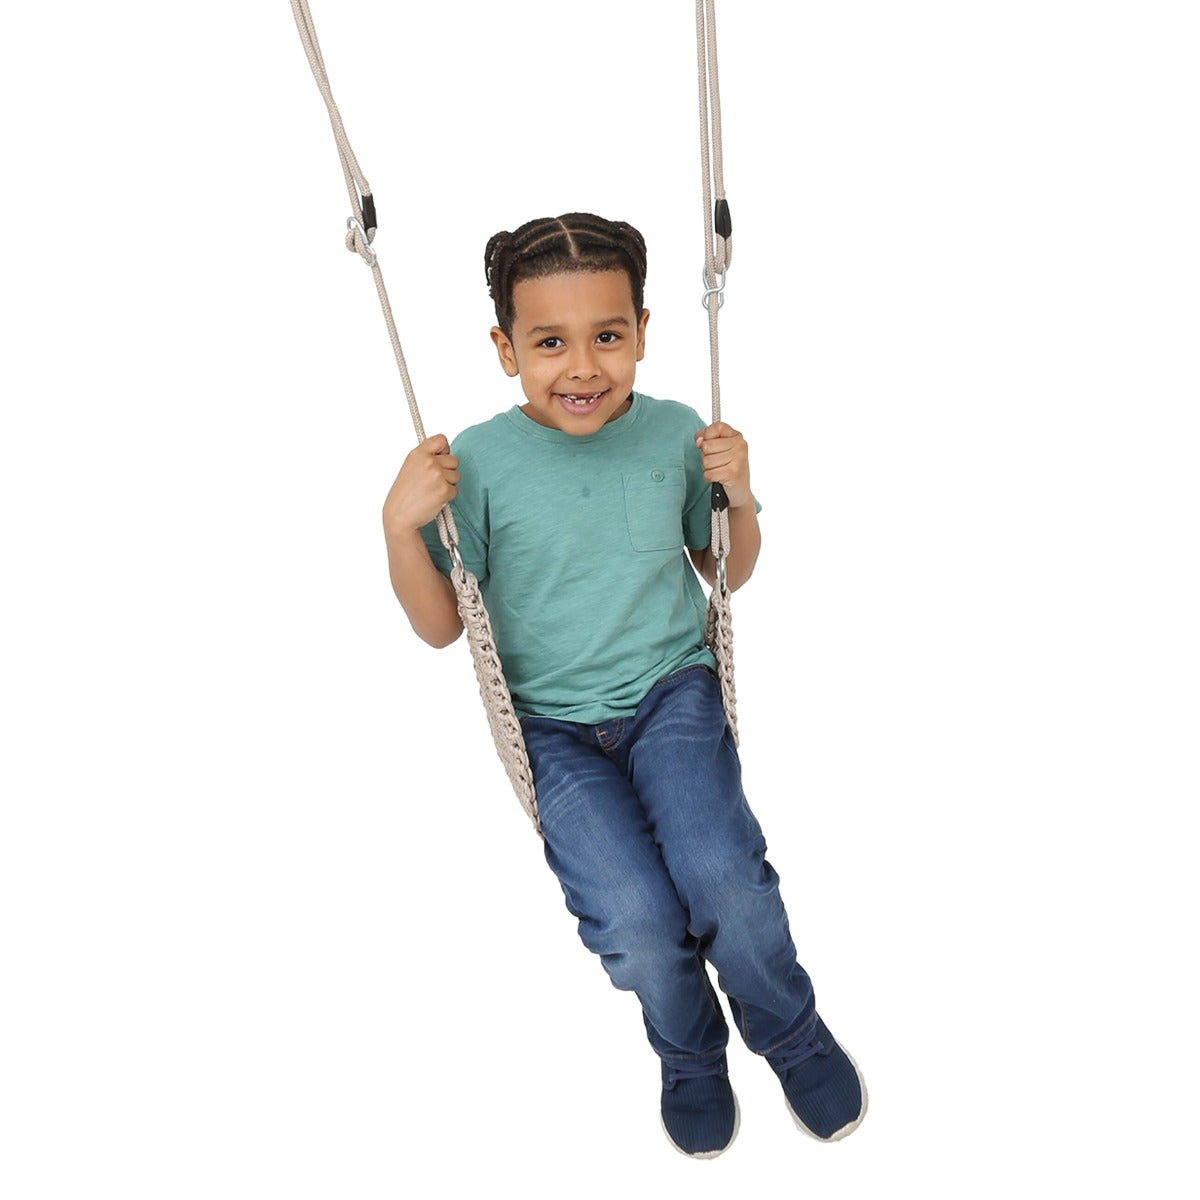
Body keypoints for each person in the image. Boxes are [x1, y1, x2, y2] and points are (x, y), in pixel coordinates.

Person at [382, 213, 866, 1158]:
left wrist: (734, 491)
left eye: (607, 336)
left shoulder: (676, 433)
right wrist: (400, 528)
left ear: (643, 331)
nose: (582, 366)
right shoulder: (476, 464)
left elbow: (728, 571)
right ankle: (690, 1054)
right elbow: (445, 628)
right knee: (636, 921)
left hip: (670, 694)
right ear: (504, 348)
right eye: (549, 342)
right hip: (554, 730)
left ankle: (791, 1030)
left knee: (723, 872)